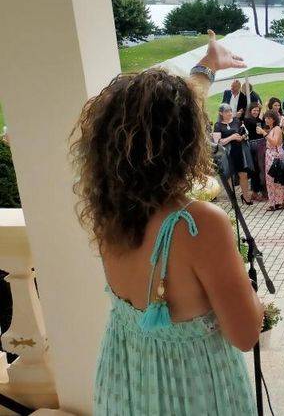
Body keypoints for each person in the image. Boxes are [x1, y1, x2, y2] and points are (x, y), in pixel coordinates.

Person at [73, 32, 260, 413]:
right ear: (185, 141)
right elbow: (245, 334)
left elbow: (159, 119)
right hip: (191, 392)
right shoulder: (197, 224)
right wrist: (250, 295)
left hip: (124, 383)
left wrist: (206, 67)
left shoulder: (110, 206)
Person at [214, 103, 254, 205]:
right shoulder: (218, 125)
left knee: (243, 174)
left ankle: (246, 197)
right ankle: (233, 200)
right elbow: (218, 142)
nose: (229, 113)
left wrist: (242, 137)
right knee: (229, 177)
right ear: (221, 113)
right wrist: (232, 137)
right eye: (226, 111)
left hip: (239, 152)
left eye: (230, 111)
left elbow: (245, 133)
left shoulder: (237, 121)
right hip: (226, 154)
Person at [263, 109, 284, 210]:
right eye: (266, 118)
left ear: (274, 119)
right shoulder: (271, 129)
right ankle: (274, 201)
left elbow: (275, 142)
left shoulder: (277, 128)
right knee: (270, 180)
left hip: (276, 157)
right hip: (269, 156)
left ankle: (280, 201)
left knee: (277, 179)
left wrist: (264, 134)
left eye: (269, 118)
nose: (266, 120)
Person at [242, 102, 267, 201]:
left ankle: (262, 191)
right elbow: (257, 126)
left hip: (261, 144)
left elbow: (264, 126)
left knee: (262, 168)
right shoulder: (247, 120)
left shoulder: (258, 120)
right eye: (254, 110)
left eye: (257, 110)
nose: (256, 112)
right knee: (256, 169)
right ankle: (255, 192)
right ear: (250, 111)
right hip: (253, 145)